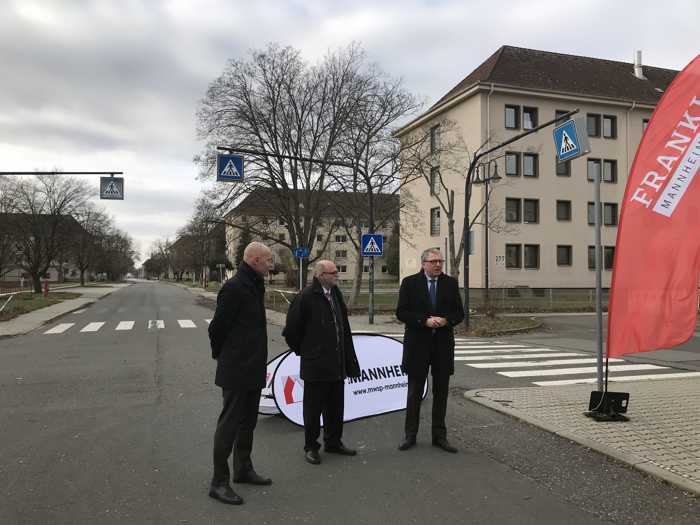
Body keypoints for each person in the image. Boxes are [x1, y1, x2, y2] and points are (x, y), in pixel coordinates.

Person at [208, 242, 275, 505]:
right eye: (268, 260)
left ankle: (243, 469)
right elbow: (216, 329)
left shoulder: (255, 285)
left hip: (253, 367)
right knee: (229, 425)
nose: (271, 265)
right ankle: (219, 481)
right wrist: (224, 357)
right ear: (255, 260)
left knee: (248, 422)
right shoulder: (234, 288)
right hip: (236, 369)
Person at [283, 260, 361, 465]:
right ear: (320, 275)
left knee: (336, 406)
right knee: (313, 409)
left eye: (337, 271)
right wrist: (306, 351)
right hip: (315, 365)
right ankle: (311, 446)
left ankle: (333, 442)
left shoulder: (335, 293)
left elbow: (342, 325)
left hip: (336, 363)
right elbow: (291, 331)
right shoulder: (306, 297)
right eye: (333, 272)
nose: (337, 275)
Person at [396, 248, 464, 453]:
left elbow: (459, 312)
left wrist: (446, 320)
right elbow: (401, 312)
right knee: (414, 392)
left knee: (441, 392)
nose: (438, 265)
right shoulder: (410, 283)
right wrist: (424, 320)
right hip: (418, 346)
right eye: (434, 261)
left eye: (440, 261)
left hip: (442, 346)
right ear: (423, 263)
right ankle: (410, 435)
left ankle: (439, 436)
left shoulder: (450, 283)